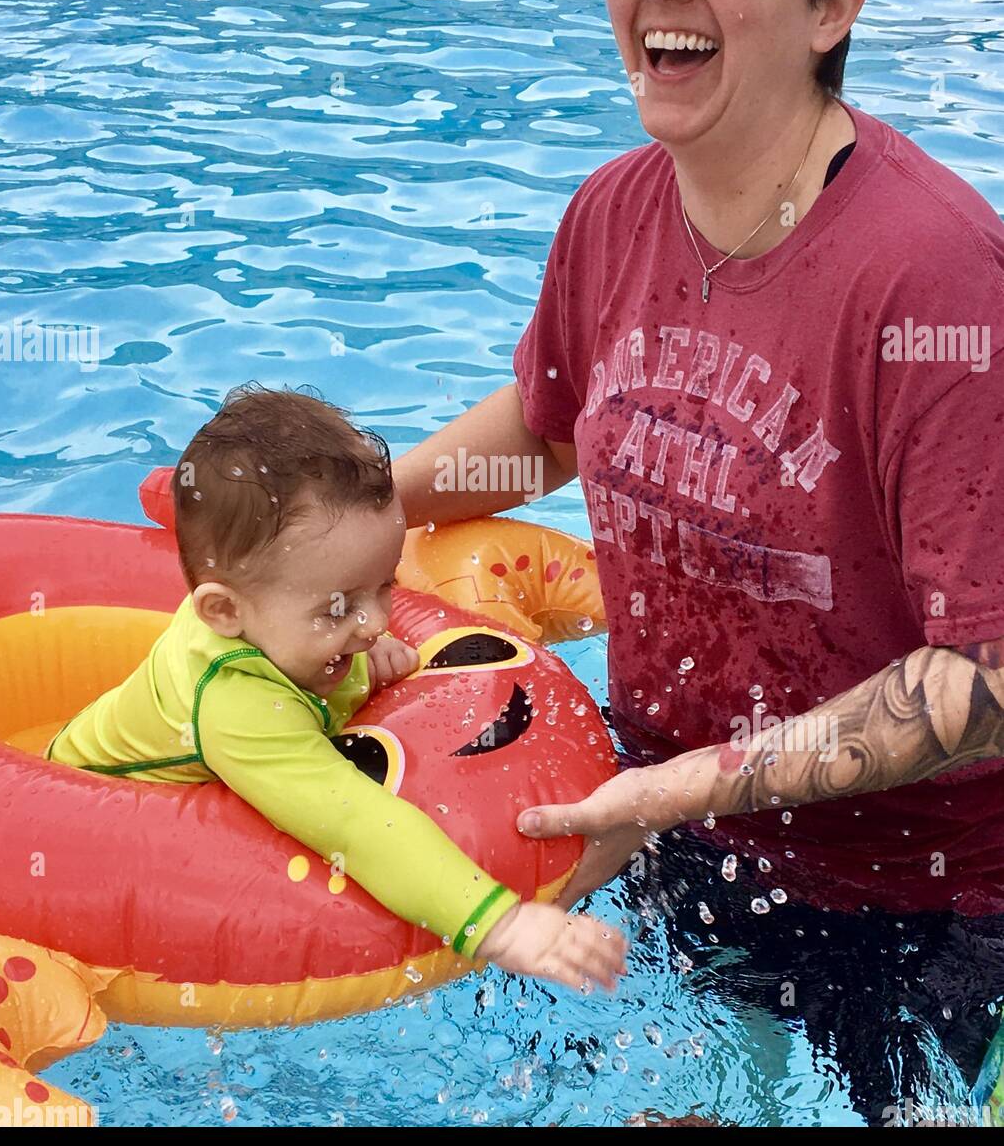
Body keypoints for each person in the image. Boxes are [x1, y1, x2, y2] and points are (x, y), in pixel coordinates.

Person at [393, 0, 1004, 1123]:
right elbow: (551, 428)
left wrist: (680, 786)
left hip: (938, 915)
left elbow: (989, 685)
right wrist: (348, 517)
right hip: (693, 858)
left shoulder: (934, 279)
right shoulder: (613, 213)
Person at [47, 385, 627, 997]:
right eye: (339, 607)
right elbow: (355, 823)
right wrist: (500, 925)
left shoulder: (273, 612)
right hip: (89, 813)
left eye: (383, 585)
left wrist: (350, 647)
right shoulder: (237, 707)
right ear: (221, 611)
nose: (377, 622)